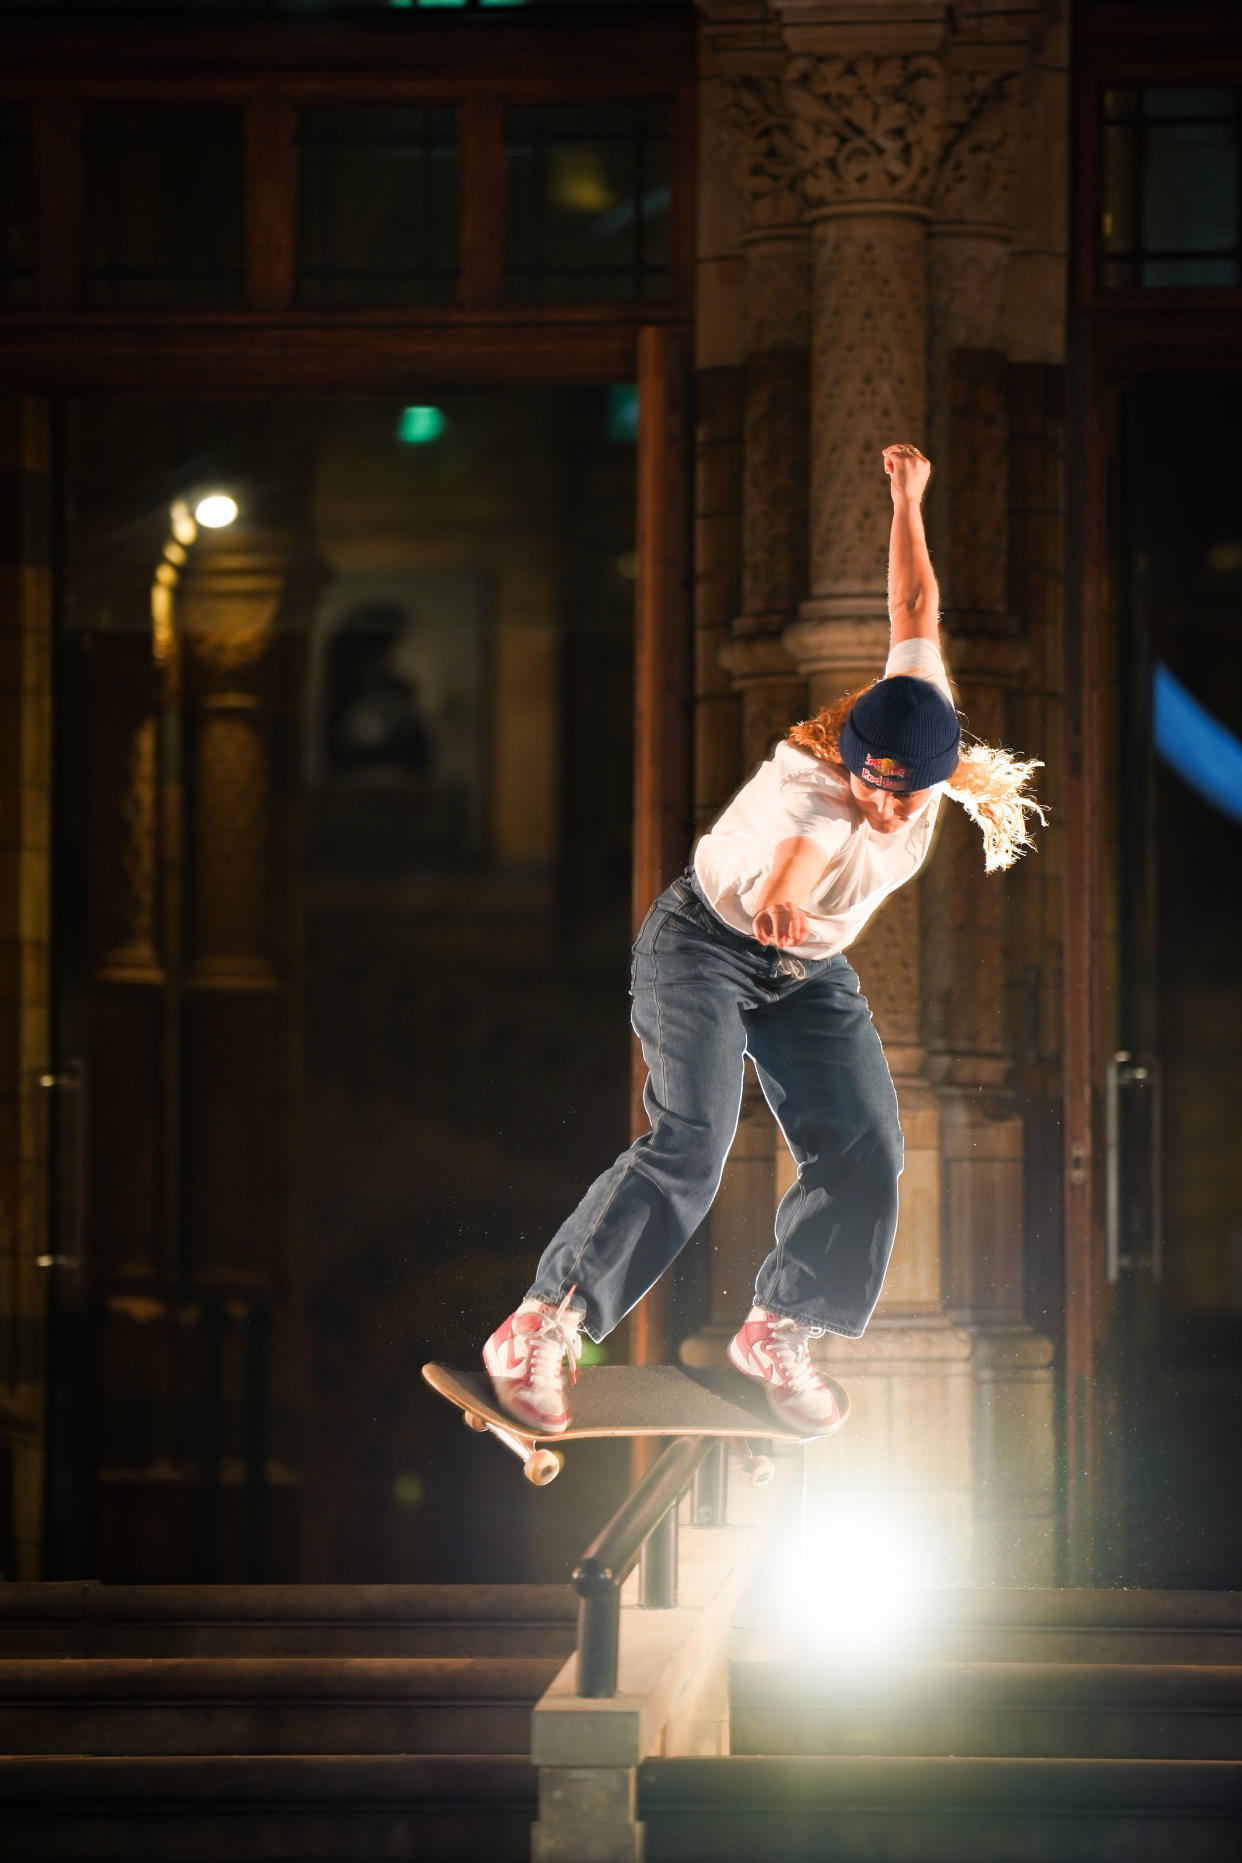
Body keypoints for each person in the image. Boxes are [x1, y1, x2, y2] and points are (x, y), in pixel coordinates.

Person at [482, 444, 1044, 1436]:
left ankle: (780, 1326)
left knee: (867, 1143)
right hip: (703, 941)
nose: (877, 802)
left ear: (936, 774)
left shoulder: (923, 705)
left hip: (807, 970)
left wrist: (909, 499)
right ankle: (545, 1322)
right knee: (693, 1138)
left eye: (897, 790)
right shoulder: (813, 796)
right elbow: (793, 862)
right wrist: (783, 901)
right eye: (866, 781)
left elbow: (915, 609)